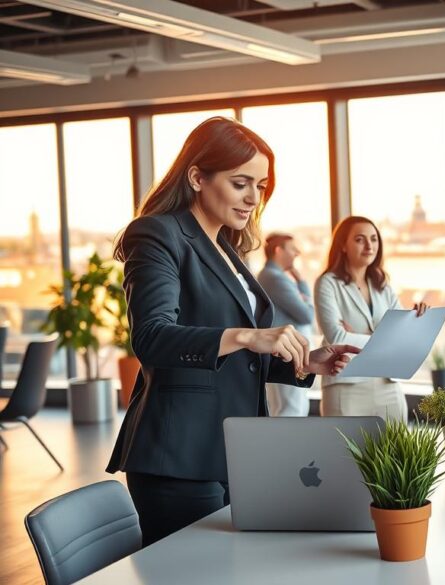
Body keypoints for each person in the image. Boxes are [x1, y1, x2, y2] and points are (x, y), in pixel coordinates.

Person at [106, 117, 357, 546]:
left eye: (260, 186)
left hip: (233, 449)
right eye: (241, 183)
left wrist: (303, 362)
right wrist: (247, 335)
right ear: (197, 177)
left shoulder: (226, 246)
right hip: (180, 456)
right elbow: (151, 336)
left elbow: (234, 364)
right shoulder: (157, 234)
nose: (253, 198)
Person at [315, 216, 428, 420]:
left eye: (374, 239)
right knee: (343, 451)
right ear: (342, 245)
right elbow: (337, 337)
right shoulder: (328, 283)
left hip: (387, 384)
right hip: (346, 385)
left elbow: (402, 337)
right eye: (359, 239)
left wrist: (413, 319)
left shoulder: (382, 284)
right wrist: (384, 340)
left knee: (397, 449)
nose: (369, 245)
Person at [257, 233, 315, 416]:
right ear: (278, 250)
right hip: (288, 353)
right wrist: (303, 283)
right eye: (292, 249)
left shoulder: (273, 276)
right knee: (292, 410)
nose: (297, 253)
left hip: (288, 352)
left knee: (287, 408)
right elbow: (307, 315)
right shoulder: (274, 278)